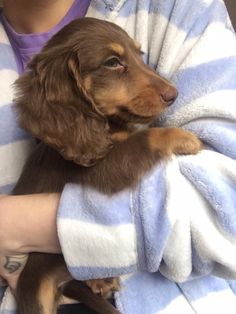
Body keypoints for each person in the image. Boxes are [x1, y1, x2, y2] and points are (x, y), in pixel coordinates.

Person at [0, 0, 236, 313]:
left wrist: (16, 224)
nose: (165, 88)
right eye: (115, 63)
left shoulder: (180, 7)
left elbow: (226, 209)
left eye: (139, 58)